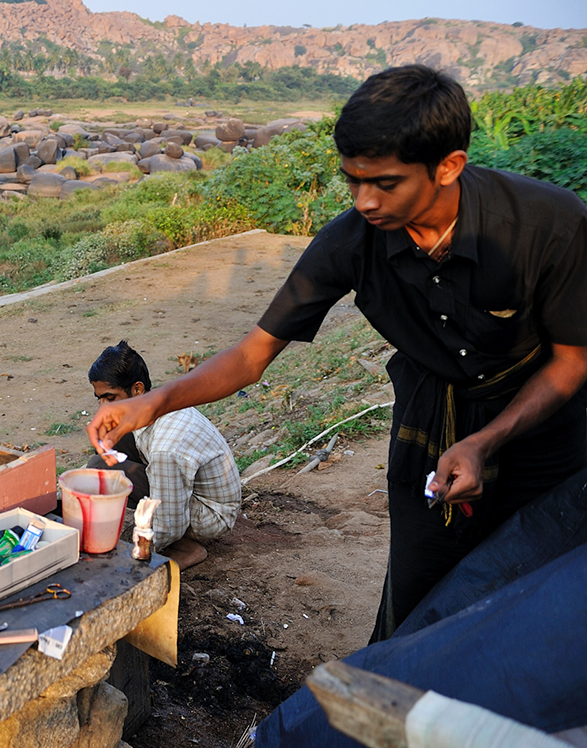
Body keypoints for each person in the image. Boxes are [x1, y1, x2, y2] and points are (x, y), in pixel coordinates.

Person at [89, 65, 587, 640]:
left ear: (448, 165)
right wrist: (154, 402)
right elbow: (254, 354)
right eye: (353, 181)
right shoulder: (349, 242)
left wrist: (486, 440)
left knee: (543, 593)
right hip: (431, 419)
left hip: (541, 427)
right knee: (420, 591)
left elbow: (572, 362)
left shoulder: (547, 226)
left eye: (386, 183)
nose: (365, 201)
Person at [86, 341, 240, 569]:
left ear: (137, 389)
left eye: (110, 398)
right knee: (102, 462)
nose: (103, 408)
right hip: (187, 485)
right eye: (100, 399)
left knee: (104, 472)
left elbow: (169, 523)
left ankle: (184, 547)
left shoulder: (166, 448)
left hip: (211, 514)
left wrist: (134, 551)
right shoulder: (156, 401)